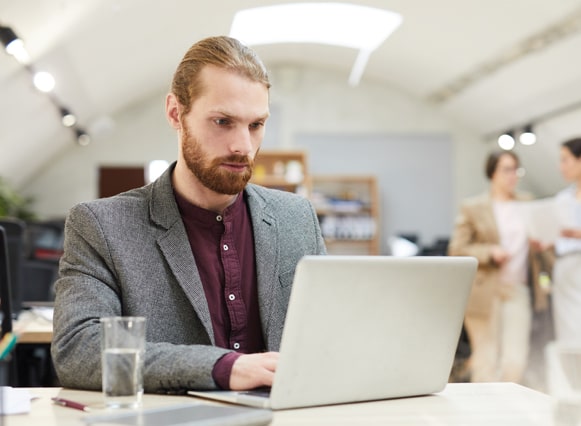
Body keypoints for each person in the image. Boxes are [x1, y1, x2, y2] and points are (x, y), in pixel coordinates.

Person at [51, 36, 327, 393]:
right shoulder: (103, 226)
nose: (243, 146)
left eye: (256, 125)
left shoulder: (297, 218)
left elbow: (329, 333)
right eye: (222, 121)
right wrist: (224, 368)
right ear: (175, 114)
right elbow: (80, 351)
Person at [447, 150, 549, 383]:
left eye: (516, 169)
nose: (513, 175)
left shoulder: (528, 204)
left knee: (515, 361)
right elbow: (457, 248)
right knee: (486, 362)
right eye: (506, 169)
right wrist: (489, 252)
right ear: (492, 173)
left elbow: (540, 242)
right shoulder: (473, 207)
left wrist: (539, 244)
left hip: (517, 289)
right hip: (485, 291)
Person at [552, 137, 581, 343]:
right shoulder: (562, 198)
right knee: (567, 330)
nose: (560, 167)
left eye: (565, 160)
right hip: (564, 266)